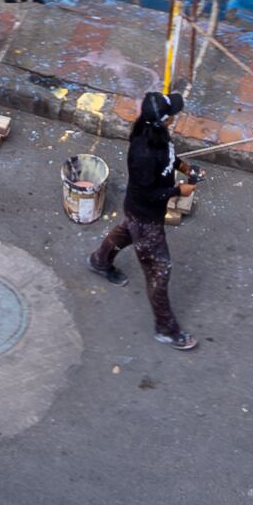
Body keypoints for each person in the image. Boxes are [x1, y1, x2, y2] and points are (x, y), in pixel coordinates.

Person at [90, 90, 198, 349]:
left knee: (127, 231)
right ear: (162, 121)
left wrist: (184, 168)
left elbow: (168, 159)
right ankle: (166, 328)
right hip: (146, 217)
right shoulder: (142, 153)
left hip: (140, 215)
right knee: (159, 270)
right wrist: (177, 191)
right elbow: (147, 192)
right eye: (171, 115)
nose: (175, 118)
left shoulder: (158, 135)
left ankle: (99, 261)